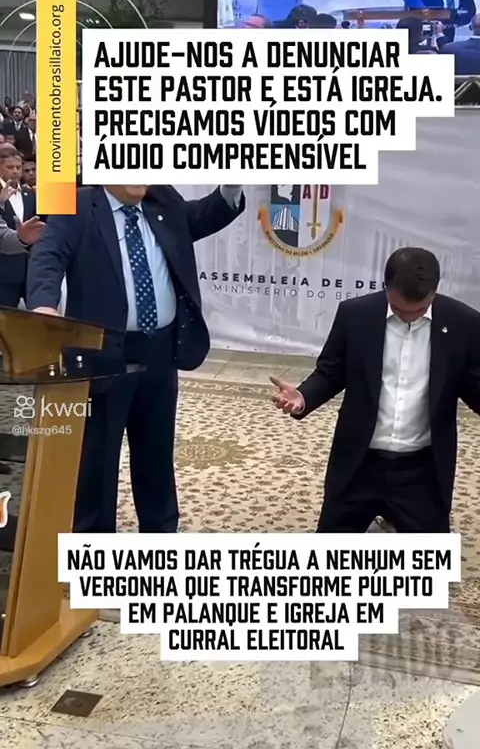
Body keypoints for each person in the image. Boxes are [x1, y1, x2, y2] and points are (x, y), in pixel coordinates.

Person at [27, 183, 245, 533]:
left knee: (156, 454)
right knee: (97, 461)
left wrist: (231, 188)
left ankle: (159, 537)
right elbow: (48, 255)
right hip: (103, 354)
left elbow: (203, 216)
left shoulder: (163, 199)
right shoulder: (78, 205)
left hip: (160, 352)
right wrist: (43, 304)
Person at [271, 247, 480, 533]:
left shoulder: (463, 323)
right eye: (399, 310)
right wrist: (305, 395)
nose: (409, 319)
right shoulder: (355, 315)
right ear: (386, 287)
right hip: (359, 463)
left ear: (435, 291)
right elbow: (331, 372)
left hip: (422, 472)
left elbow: (474, 385)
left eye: (419, 312)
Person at [0, 148, 36, 306]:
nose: (15, 171)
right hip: (4, 272)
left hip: (29, 269)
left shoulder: (30, 194)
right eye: (10, 167)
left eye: (18, 167)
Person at [401, 0, 475, 43]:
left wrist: (466, 13)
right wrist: (424, 15)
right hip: (426, 23)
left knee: (446, 49)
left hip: (451, 20)